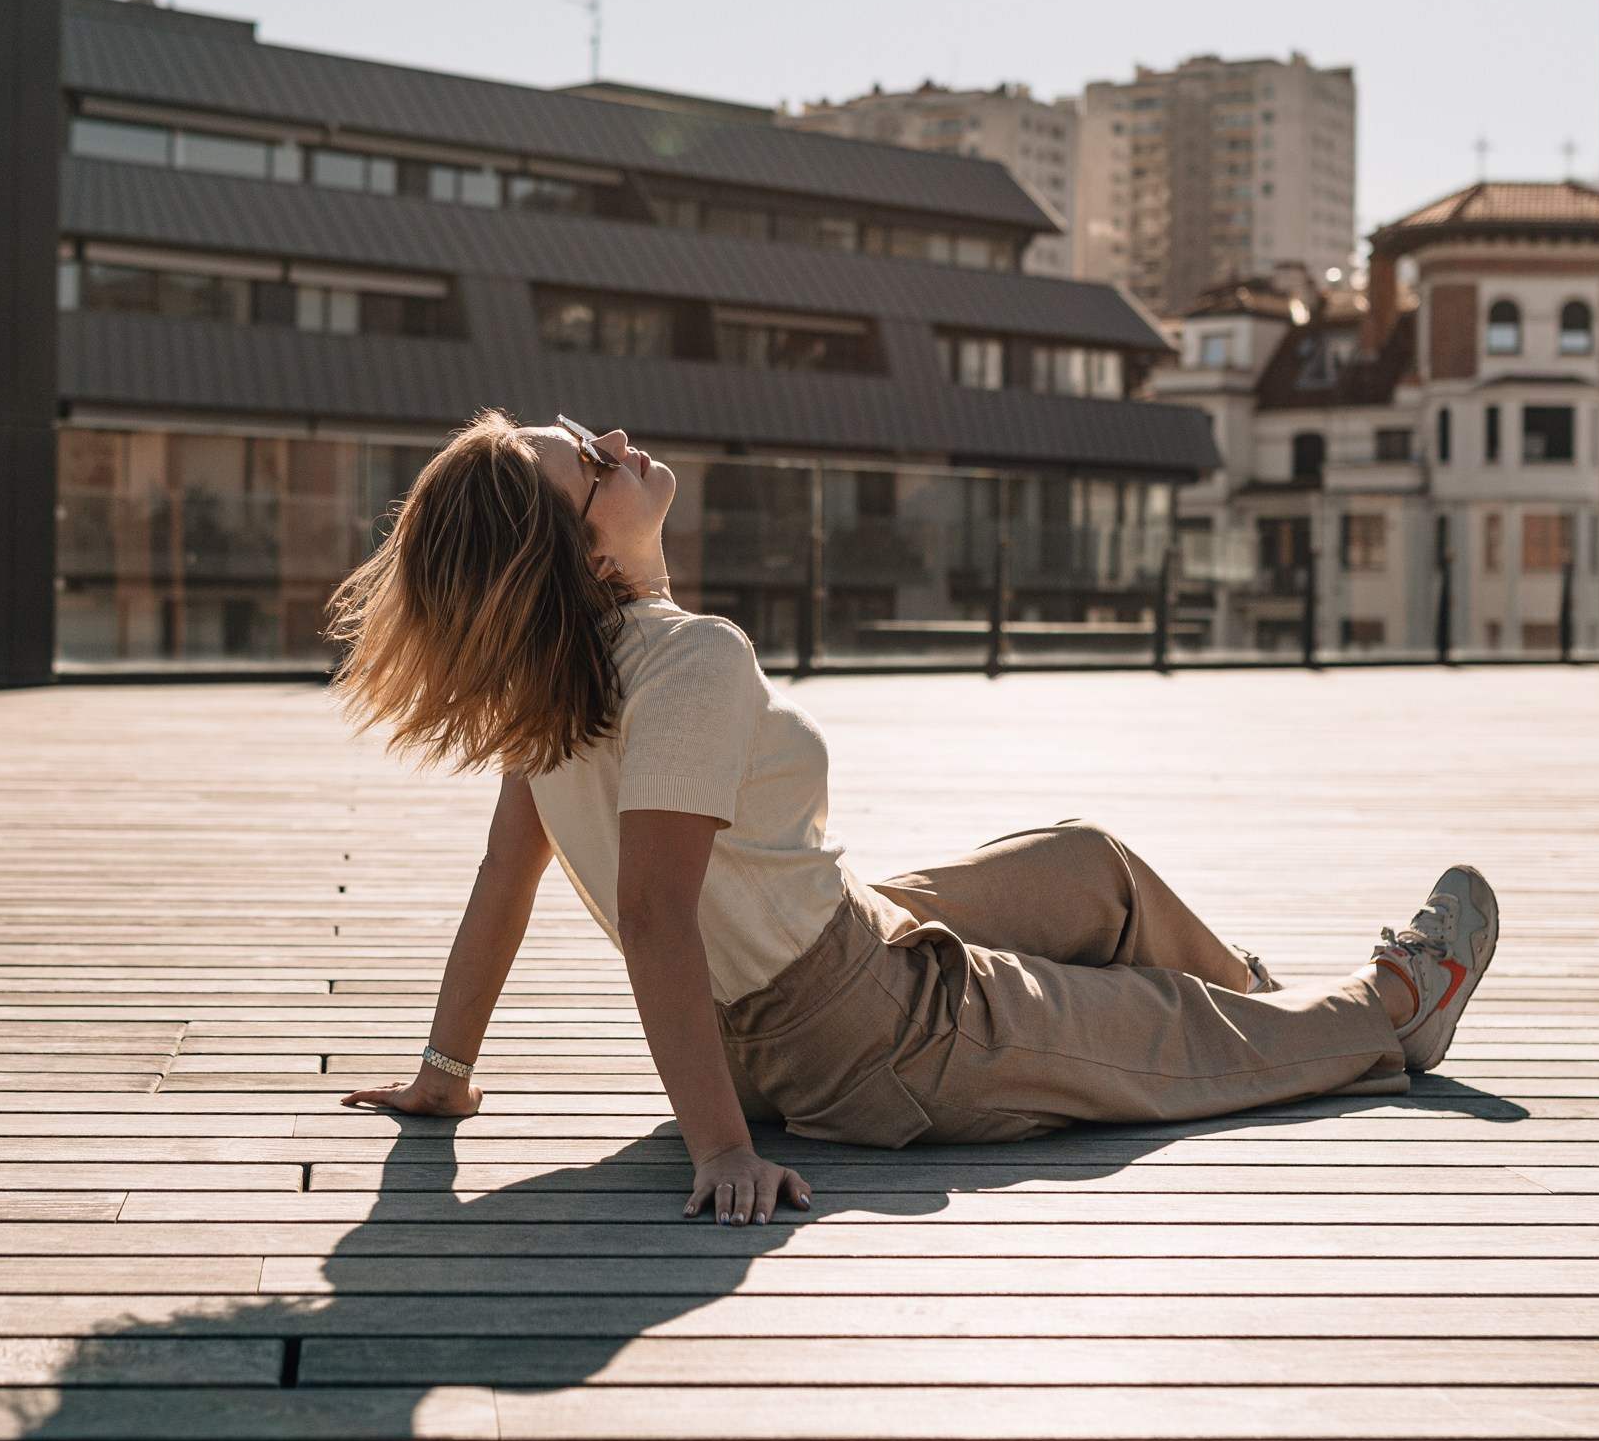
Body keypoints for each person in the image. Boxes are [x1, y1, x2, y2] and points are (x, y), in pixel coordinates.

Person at [330, 412, 1499, 1229]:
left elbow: (505, 878)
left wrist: (445, 1074)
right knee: (1171, 1032)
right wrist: (722, 1149)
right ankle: (1387, 1012)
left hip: (827, 950)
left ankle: (1268, 1008)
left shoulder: (549, 682)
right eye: (591, 461)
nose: (616, 441)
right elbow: (652, 914)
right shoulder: (687, 661)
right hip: (869, 1035)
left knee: (1088, 867)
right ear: (587, 553)